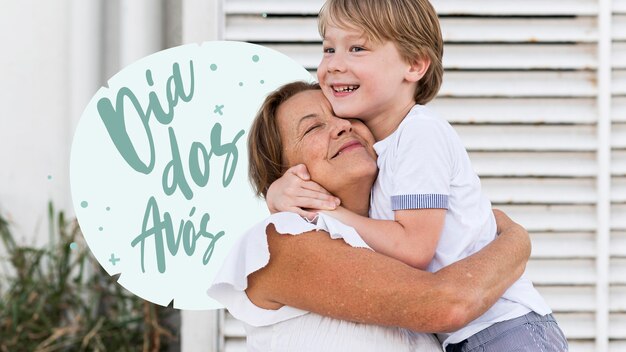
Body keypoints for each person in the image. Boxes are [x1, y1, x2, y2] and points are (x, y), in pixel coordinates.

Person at [265, 1, 569, 351]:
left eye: (357, 48)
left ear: (414, 64)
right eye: (329, 48)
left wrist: (328, 210)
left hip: (504, 327)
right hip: (465, 335)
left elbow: (413, 250)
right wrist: (280, 192)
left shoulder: (420, 135)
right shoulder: (378, 150)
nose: (333, 63)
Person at [208, 81, 532, 352]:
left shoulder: (398, 239)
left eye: (345, 115)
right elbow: (448, 303)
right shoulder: (280, 239)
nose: (341, 126)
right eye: (313, 127)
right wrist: (517, 240)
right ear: (284, 172)